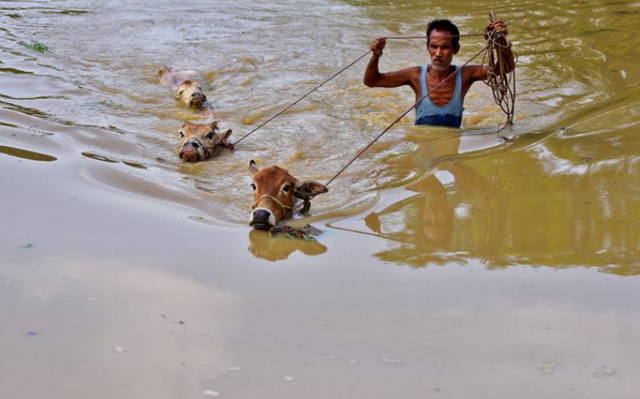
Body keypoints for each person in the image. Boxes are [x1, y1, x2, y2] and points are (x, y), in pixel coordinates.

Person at [363, 19, 514, 128]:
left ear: (456, 49)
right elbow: (372, 81)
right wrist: (376, 55)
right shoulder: (414, 75)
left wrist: (501, 40)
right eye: (434, 46)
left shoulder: (466, 75)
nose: (438, 53)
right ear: (427, 47)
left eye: (445, 47)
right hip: (423, 145)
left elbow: (505, 68)